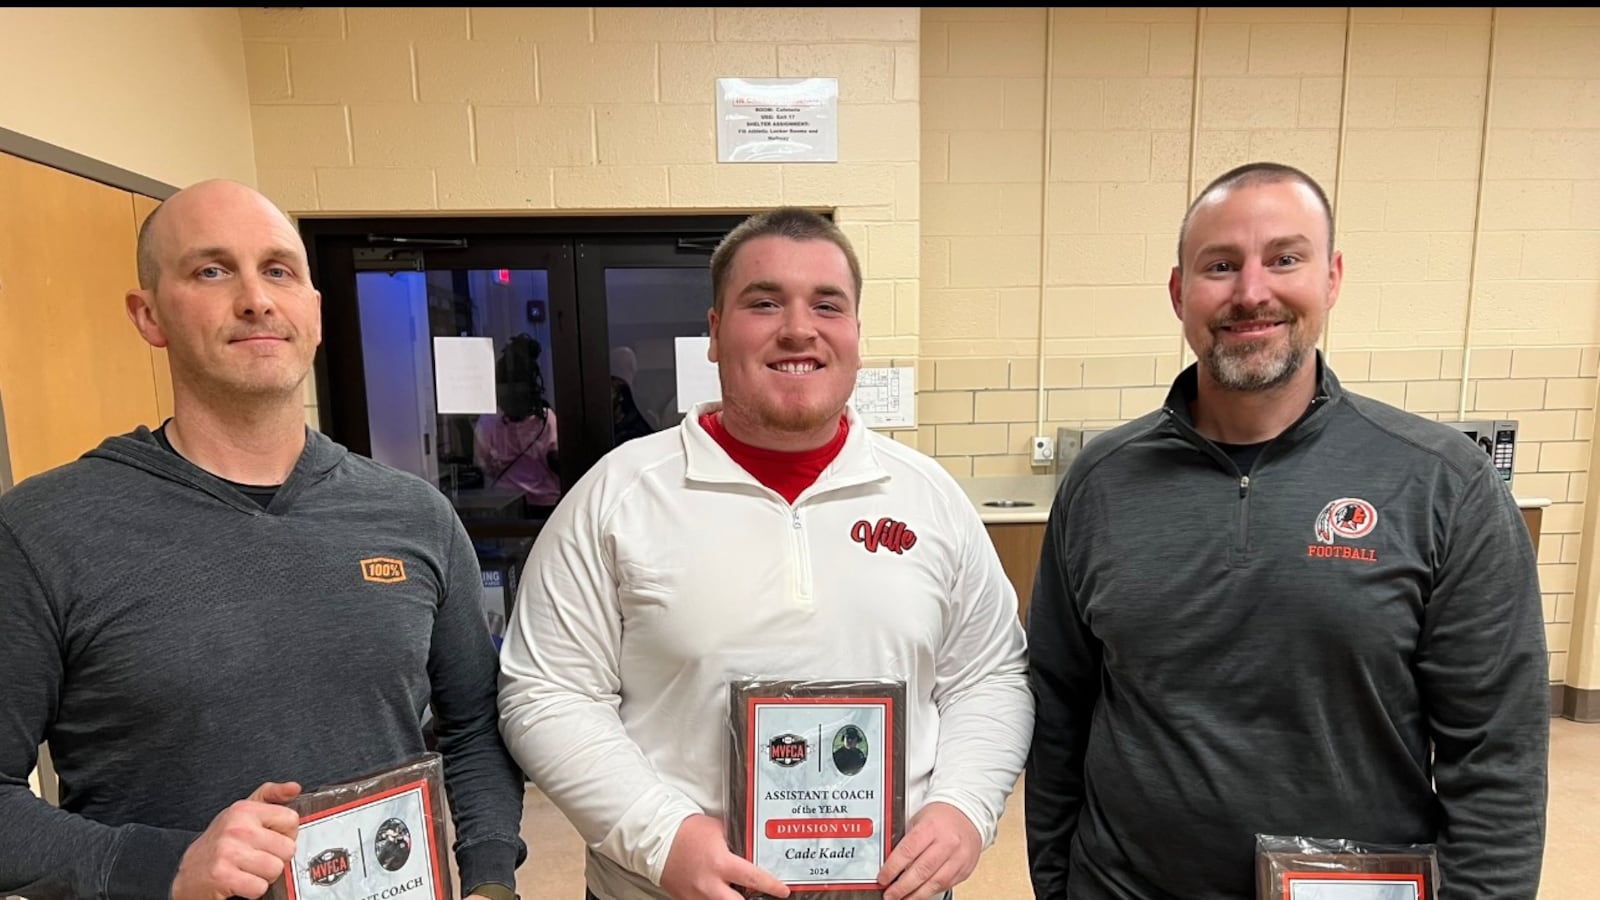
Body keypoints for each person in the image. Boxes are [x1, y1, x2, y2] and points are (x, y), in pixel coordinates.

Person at [1024, 162, 1550, 899]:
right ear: (1179, 292)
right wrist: (1058, 886)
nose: (1251, 292)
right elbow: (1057, 713)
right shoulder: (1101, 482)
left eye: (1284, 258)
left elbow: (1497, 755)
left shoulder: (1441, 482)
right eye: (1220, 265)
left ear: (1331, 278)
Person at [0, 179, 527, 900]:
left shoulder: (414, 516)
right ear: (148, 315)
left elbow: (474, 727)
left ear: (314, 308)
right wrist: (166, 866)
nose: (255, 298)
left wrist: (493, 877)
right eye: (210, 270)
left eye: (279, 269)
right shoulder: (45, 529)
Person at [497, 207, 1033, 900]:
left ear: (856, 336)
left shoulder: (929, 498)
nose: (798, 329)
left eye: (827, 305)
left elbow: (989, 676)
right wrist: (663, 839)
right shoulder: (618, 496)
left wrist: (964, 807)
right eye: (764, 302)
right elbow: (546, 691)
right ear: (716, 333)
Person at [476, 333, 561, 513]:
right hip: (545, 504)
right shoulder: (547, 420)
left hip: (505, 503)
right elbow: (558, 463)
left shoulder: (489, 420)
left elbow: (482, 464)